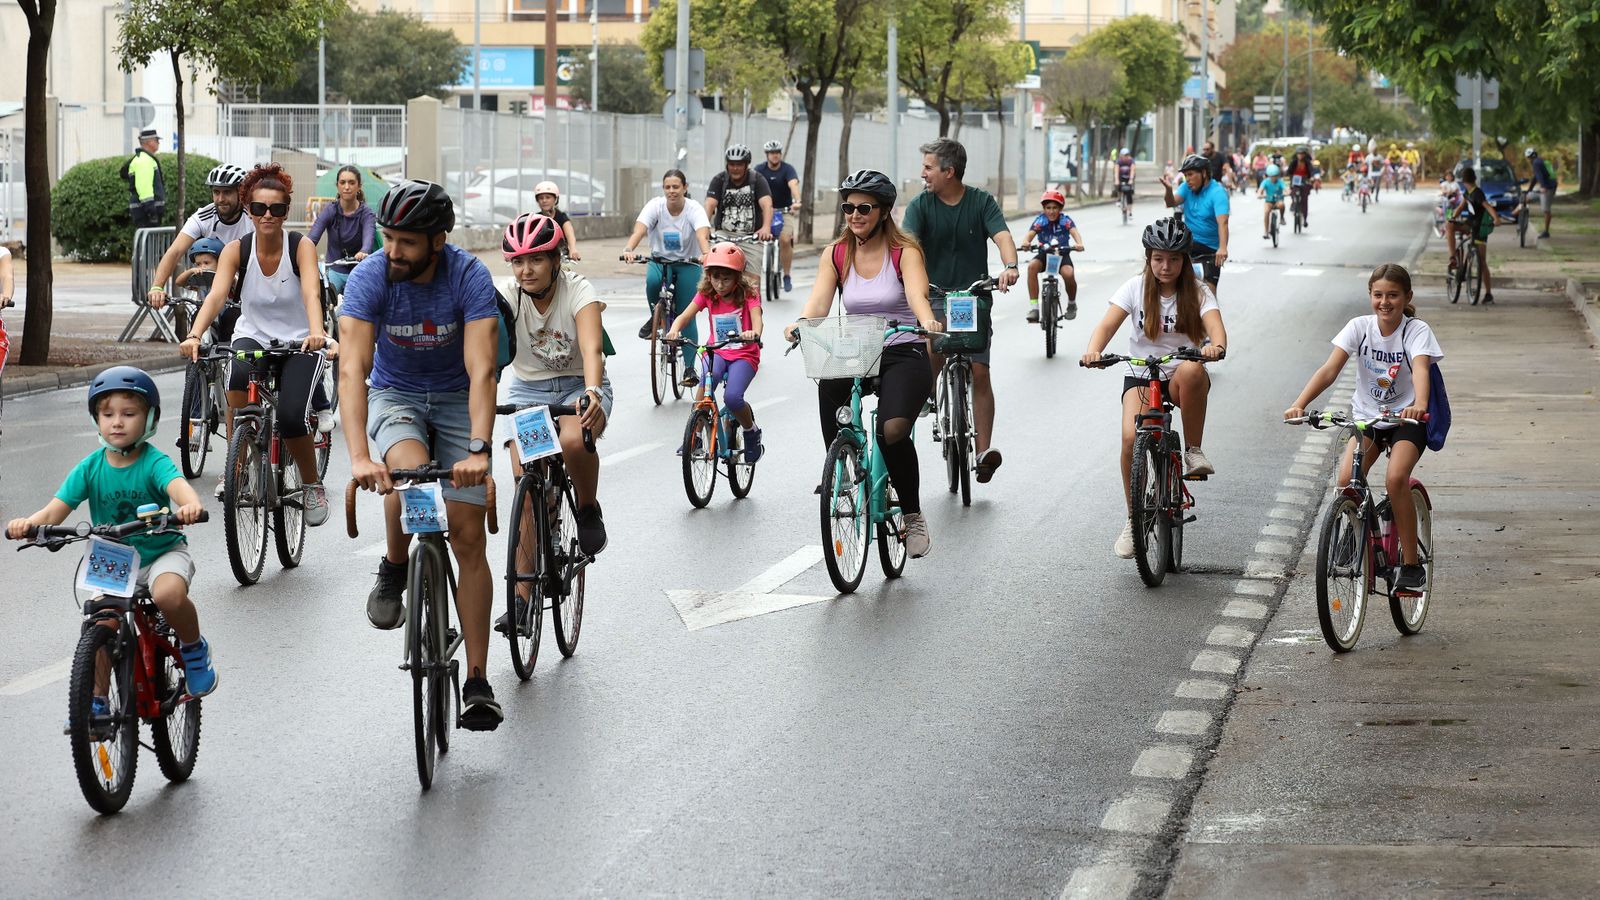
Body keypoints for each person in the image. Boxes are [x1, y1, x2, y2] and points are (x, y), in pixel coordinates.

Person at [337, 180, 503, 730]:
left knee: (468, 536)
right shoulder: (370, 277)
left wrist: (478, 449)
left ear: (437, 241)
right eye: (388, 238)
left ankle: (477, 681)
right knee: (407, 474)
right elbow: (352, 370)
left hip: (457, 396)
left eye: (406, 242)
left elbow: (483, 368)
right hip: (396, 395)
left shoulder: (468, 275)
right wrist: (360, 457)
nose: (393, 251)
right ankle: (396, 565)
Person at [6, 367, 218, 705]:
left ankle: (194, 650)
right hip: (113, 558)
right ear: (96, 419)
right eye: (108, 415)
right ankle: (97, 702)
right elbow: (53, 512)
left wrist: (190, 506)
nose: (117, 422)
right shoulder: (90, 467)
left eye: (128, 414)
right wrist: (29, 526)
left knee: (168, 595)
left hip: (161, 552)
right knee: (100, 624)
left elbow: (178, 487)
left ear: (149, 419)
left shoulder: (153, 462)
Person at [784, 169, 943, 558]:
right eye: (848, 207)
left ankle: (912, 515)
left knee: (892, 430)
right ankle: (843, 468)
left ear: (884, 211)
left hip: (903, 348)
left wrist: (927, 321)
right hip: (857, 349)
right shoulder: (837, 254)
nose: (854, 215)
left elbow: (917, 296)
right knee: (829, 386)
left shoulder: (904, 252)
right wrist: (801, 323)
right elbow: (819, 302)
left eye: (864, 208)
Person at [180, 163, 334, 518]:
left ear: (285, 212)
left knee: (292, 417)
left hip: (300, 340)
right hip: (254, 335)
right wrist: (194, 334)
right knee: (236, 382)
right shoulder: (237, 250)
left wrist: (317, 332)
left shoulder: (300, 246)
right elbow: (217, 296)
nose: (268, 215)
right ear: (249, 210)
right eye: (260, 207)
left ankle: (312, 485)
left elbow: (311, 293)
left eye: (276, 208)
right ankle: (241, 461)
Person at [1283, 263, 1441, 593]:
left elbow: (1421, 369)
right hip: (1367, 419)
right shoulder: (1359, 327)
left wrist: (1421, 404)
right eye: (1378, 295)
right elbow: (1329, 370)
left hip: (1406, 420)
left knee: (1395, 479)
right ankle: (1357, 534)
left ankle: (1411, 566)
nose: (1385, 302)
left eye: (1393, 295)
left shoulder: (1416, 331)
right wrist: (1300, 403)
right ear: (1370, 295)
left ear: (1407, 297)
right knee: (1346, 481)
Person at [1081, 216, 1226, 558]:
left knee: (1193, 370)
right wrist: (1093, 351)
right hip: (1142, 373)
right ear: (1148, 258)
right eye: (1158, 258)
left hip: (1179, 377)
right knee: (1130, 439)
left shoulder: (1199, 291)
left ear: (1184, 260)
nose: (1165, 266)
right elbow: (1107, 325)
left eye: (1174, 259)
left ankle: (1193, 450)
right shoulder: (1134, 287)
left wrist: (1216, 346)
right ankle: (1134, 520)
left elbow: (1216, 329)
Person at [901, 138, 1019, 484]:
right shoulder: (920, 205)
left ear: (949, 171)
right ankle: (930, 392)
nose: (923, 173)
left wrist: (1010, 265)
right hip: (935, 295)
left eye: (928, 167)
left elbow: (1002, 236)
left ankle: (983, 453)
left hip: (972, 297)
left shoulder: (981, 202)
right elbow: (907, 245)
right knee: (933, 349)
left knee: (980, 371)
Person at [495, 213, 611, 557]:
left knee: (573, 441)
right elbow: (485, 351)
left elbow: (592, 350)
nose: (526, 270)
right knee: (526, 491)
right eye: (518, 262)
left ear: (555, 260)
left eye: (536, 260)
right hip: (528, 391)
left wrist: (592, 392)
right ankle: (523, 589)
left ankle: (587, 508)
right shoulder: (507, 296)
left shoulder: (578, 289)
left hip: (578, 385)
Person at [666, 241, 765, 461]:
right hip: (716, 352)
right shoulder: (707, 294)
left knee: (732, 398)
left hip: (744, 355)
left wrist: (754, 333)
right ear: (709, 276)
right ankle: (696, 436)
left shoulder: (749, 294)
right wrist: (673, 330)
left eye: (726, 278)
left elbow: (757, 318)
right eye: (715, 277)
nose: (720, 284)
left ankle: (751, 431)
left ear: (738, 277)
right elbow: (685, 316)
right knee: (706, 386)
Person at [623, 168, 712, 384]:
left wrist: (706, 254)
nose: (671, 191)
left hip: (687, 263)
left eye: (676, 187)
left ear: (685, 188)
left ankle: (689, 369)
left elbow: (702, 235)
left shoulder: (694, 209)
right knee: (652, 282)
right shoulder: (656, 206)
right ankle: (657, 318)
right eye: (667, 187)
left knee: (687, 313)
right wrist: (628, 249)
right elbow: (639, 230)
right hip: (660, 261)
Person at [148, 164, 252, 314]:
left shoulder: (253, 217)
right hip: (211, 295)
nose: (220, 199)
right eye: (216, 192)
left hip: (245, 292)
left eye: (227, 192)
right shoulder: (203, 217)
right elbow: (175, 251)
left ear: (240, 193)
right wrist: (157, 287)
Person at [705, 144, 774, 291]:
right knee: (711, 274)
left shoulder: (757, 179)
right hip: (724, 234)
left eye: (739, 164)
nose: (735, 168)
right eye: (732, 164)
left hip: (751, 236)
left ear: (746, 165)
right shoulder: (719, 180)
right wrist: (705, 226)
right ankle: (713, 303)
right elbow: (710, 204)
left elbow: (767, 204)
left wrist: (766, 227)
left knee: (752, 283)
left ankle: (753, 305)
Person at [1162, 154, 1230, 293]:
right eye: (1185, 175)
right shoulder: (1187, 188)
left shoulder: (1217, 193)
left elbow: (1223, 222)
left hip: (1209, 249)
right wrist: (1168, 190)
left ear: (1204, 173)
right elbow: (1171, 202)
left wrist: (1222, 248)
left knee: (1209, 293)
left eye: (1191, 174)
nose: (1187, 179)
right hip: (1188, 245)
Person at [307, 165, 377, 293]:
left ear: (359, 186)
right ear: (337, 186)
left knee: (358, 302)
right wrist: (303, 251)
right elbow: (311, 239)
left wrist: (363, 251)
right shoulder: (330, 210)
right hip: (335, 270)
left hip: (359, 270)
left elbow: (369, 238)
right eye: (342, 182)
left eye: (352, 183)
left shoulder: (366, 213)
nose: (347, 187)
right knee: (323, 297)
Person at [1447, 165, 1508, 304]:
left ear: (1464, 181)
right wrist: (1453, 217)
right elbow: (1461, 206)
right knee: (1450, 226)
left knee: (1481, 262)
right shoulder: (1468, 192)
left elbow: (1487, 206)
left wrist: (1496, 219)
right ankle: (1453, 258)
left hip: (1479, 229)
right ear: (1474, 179)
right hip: (1470, 226)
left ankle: (1453, 257)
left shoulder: (1477, 193)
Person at [1022, 190, 1084, 323]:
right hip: (1044, 254)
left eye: (1055, 208)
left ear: (1060, 208)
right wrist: (1026, 243)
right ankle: (1034, 308)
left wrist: (1079, 244)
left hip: (1062, 255)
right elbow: (1029, 235)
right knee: (1032, 267)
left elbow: (1075, 233)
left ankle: (1072, 303)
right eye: (1048, 208)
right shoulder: (1040, 220)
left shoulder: (1065, 220)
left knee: (1068, 274)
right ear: (1044, 209)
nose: (1051, 211)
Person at [755, 140, 802, 294]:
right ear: (767, 155)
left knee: (785, 240)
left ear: (780, 154)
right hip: (765, 212)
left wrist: (797, 201)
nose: (775, 155)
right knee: (755, 239)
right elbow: (752, 185)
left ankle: (786, 275)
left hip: (784, 211)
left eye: (777, 153)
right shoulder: (759, 170)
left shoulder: (788, 169)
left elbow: (793, 184)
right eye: (772, 153)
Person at [121, 128, 166, 229]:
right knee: (148, 238)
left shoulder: (144, 159)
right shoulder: (144, 160)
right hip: (146, 211)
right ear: (149, 142)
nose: (158, 143)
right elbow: (144, 186)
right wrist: (151, 211)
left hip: (145, 210)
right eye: (156, 140)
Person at [533, 181, 581, 260]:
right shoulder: (535, 218)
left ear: (555, 199)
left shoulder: (561, 216)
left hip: (560, 255)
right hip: (541, 256)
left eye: (548, 197)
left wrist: (572, 248)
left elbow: (570, 234)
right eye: (541, 198)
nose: (544, 200)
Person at [1525, 147, 1557, 239]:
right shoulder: (1540, 161)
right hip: (1547, 186)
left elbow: (1539, 176)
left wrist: (1543, 186)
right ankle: (1522, 217)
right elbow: (1535, 177)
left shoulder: (1536, 163)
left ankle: (1546, 232)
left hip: (1548, 188)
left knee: (1546, 210)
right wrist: (1529, 189)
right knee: (1527, 197)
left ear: (1529, 157)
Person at [1285, 147, 1315, 228]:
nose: (1300, 155)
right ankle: (1294, 203)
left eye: (1302, 154)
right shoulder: (1294, 162)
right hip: (1295, 180)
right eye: (1299, 154)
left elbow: (1311, 171)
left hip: (1305, 180)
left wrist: (1312, 177)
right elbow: (1289, 171)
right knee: (1293, 192)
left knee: (1304, 200)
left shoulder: (1307, 162)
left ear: (1304, 155)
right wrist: (1286, 175)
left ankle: (1304, 219)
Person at [1258, 165, 1286, 237]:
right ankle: (1266, 232)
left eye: (1275, 176)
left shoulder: (1280, 182)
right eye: (1272, 176)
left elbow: (1286, 189)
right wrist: (1260, 195)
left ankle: (1282, 218)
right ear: (1269, 176)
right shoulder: (1265, 182)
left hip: (1278, 201)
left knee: (1282, 205)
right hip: (1268, 201)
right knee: (1266, 212)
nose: (1273, 178)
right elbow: (1260, 190)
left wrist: (1287, 193)